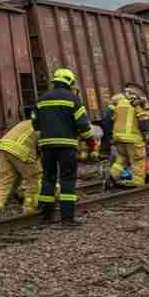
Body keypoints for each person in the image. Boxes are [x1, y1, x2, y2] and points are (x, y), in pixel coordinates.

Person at [33, 68, 96, 226]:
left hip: (46, 145)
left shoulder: (41, 99)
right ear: (70, 82)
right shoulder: (73, 99)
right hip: (67, 146)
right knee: (67, 179)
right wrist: (91, 143)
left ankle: (46, 216)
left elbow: (35, 123)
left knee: (48, 178)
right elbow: (82, 124)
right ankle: (67, 219)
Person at [0, 118, 42, 219]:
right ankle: (29, 209)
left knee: (5, 181)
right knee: (34, 180)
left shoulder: (27, 122)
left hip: (3, 148)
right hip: (20, 150)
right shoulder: (45, 127)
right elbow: (43, 149)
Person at [111, 90, 149, 187]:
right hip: (133, 138)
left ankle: (113, 176)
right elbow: (143, 120)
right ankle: (137, 181)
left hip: (119, 138)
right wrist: (146, 135)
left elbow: (113, 119)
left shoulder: (119, 105)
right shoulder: (136, 104)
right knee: (138, 160)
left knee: (121, 160)